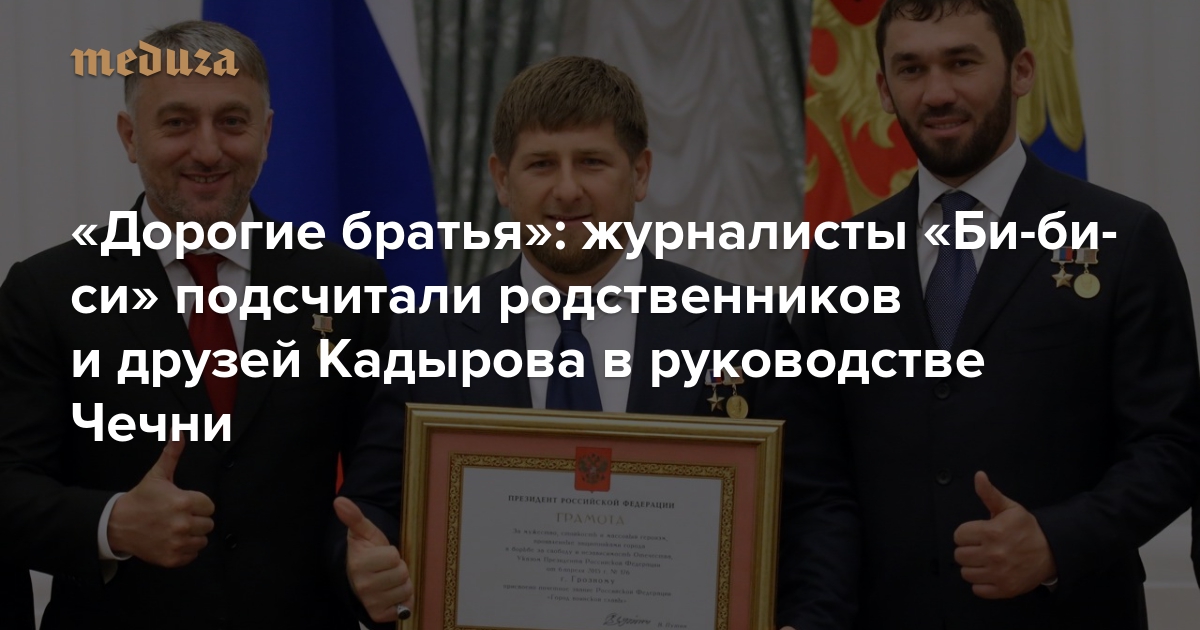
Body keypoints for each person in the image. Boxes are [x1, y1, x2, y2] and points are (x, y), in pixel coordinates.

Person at [328, 56, 860, 630]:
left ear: (640, 173)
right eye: (540, 164)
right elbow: (371, 505)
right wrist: (361, 568)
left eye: (592, 162)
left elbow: (815, 509)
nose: (567, 190)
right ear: (502, 180)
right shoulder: (431, 335)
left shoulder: (740, 328)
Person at [791, 1, 1200, 628]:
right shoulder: (839, 259)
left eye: (962, 63)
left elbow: (1172, 445)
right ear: (883, 89)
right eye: (911, 69)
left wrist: (1058, 541)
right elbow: (817, 471)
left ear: (1022, 70)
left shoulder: (1124, 236)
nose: (937, 93)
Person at [0, 21, 388, 629]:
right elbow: (9, 483)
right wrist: (112, 522)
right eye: (177, 123)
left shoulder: (348, 283)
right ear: (131, 136)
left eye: (232, 121)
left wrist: (365, 561)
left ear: (266, 133)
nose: (208, 151)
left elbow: (383, 471)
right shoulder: (46, 291)